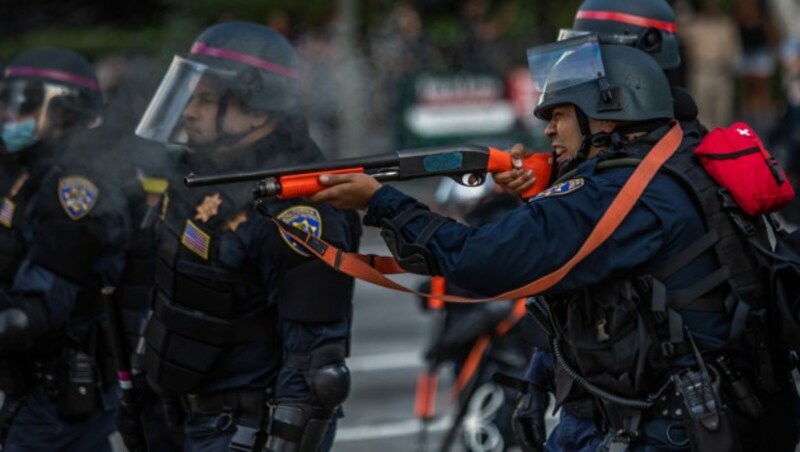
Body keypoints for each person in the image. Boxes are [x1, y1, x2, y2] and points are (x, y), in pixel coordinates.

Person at [307, 37, 798, 451]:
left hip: (666, 428)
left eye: (560, 114)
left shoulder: (612, 192)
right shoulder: (677, 158)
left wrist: (381, 204)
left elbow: (478, 260)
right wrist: (546, 186)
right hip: (713, 410)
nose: (547, 130)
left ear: (605, 112)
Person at [128, 21, 361, 452]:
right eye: (189, 95)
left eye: (206, 99)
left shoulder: (299, 211)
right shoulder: (199, 178)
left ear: (258, 110)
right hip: (183, 417)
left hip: (241, 431)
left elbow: (317, 371)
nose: (188, 112)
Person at [0, 48, 130, 450]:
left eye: (25, 102)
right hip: (30, 390)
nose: (8, 114)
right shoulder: (26, 175)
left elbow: (31, 316)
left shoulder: (75, 194)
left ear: (66, 114)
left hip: (58, 396)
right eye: (7, 99)